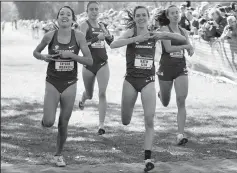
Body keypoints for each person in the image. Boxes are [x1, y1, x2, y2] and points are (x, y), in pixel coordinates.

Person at [110, 5, 187, 172]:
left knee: (149, 119)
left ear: (148, 17)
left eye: (144, 15)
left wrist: (164, 34)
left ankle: (147, 158)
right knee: (125, 120)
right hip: (130, 81)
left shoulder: (154, 33)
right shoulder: (132, 32)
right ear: (135, 17)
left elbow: (182, 39)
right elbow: (114, 44)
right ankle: (127, 117)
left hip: (148, 81)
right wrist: (134, 40)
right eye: (138, 15)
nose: (141, 18)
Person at [33, 6, 92, 167]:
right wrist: (43, 56)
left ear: (73, 19)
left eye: (68, 14)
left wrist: (72, 55)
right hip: (52, 82)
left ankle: (58, 155)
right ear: (57, 18)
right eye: (61, 14)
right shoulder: (49, 36)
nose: (64, 16)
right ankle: (45, 121)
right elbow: (36, 52)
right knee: (49, 122)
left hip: (70, 83)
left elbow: (89, 61)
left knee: (63, 122)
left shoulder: (78, 36)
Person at [155, 5, 194, 146]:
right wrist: (186, 47)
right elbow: (169, 48)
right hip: (166, 68)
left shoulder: (184, 31)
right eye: (172, 13)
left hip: (180, 68)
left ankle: (180, 134)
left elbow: (190, 47)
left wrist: (191, 49)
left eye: (177, 12)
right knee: (165, 102)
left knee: (181, 100)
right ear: (168, 16)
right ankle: (161, 94)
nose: (176, 15)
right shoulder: (164, 30)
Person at [78, 1, 114, 135]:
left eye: (96, 9)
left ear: (99, 11)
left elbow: (112, 43)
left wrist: (109, 36)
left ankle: (101, 125)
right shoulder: (84, 25)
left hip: (102, 63)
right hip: (88, 65)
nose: (94, 12)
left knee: (102, 93)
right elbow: (81, 45)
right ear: (87, 11)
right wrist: (95, 38)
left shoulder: (102, 25)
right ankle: (82, 99)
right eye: (91, 9)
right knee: (90, 94)